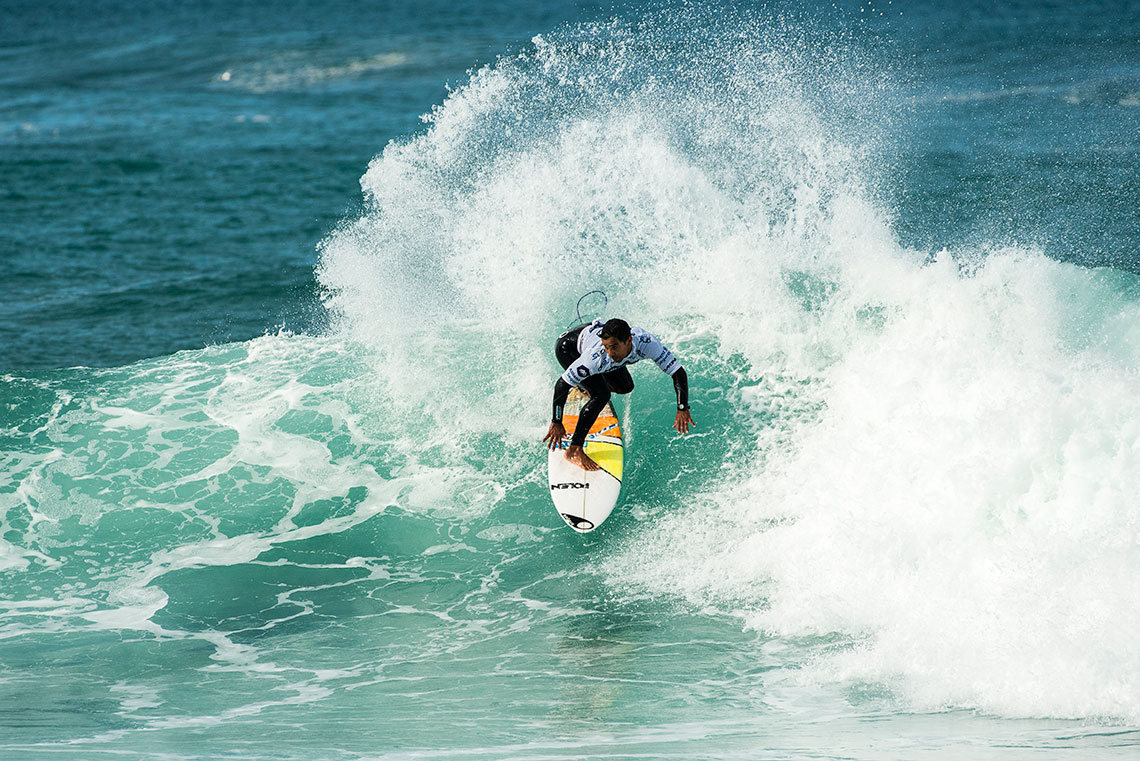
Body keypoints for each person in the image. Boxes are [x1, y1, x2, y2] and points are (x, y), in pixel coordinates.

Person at [543, 317, 693, 470]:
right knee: (601, 395)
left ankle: (585, 384)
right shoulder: (597, 357)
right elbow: (561, 384)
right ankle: (574, 450)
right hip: (568, 348)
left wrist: (682, 408)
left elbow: (677, 371)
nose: (610, 353)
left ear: (628, 340)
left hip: (588, 336)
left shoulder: (646, 344)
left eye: (613, 347)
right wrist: (556, 421)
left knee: (625, 387)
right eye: (606, 347)